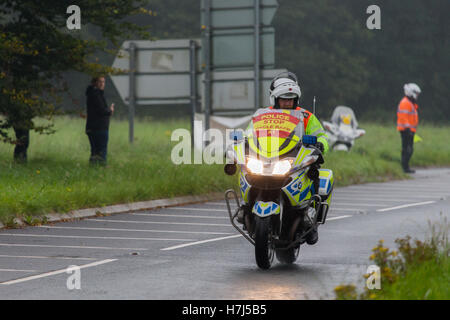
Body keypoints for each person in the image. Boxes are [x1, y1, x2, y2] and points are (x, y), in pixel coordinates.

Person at [240, 72, 329, 245]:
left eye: (291, 99)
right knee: (245, 170)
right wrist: (241, 144)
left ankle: (312, 222)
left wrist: (320, 145)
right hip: (265, 158)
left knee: (315, 173)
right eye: (283, 99)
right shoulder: (261, 116)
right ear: (275, 98)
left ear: (296, 99)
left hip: (293, 157)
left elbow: (322, 136)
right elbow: (249, 134)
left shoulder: (306, 117)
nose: (287, 102)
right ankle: (246, 210)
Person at [85, 76, 114, 166]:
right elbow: (101, 110)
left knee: (94, 151)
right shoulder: (96, 94)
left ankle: (93, 168)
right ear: (94, 83)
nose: (102, 84)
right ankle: (102, 167)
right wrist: (110, 111)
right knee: (101, 150)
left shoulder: (91, 94)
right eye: (100, 82)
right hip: (99, 127)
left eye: (103, 82)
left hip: (91, 127)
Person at [397, 83, 421, 174]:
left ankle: (405, 167)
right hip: (406, 130)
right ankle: (404, 168)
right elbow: (403, 117)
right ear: (412, 93)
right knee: (407, 149)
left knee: (408, 149)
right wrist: (408, 129)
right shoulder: (405, 103)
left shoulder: (410, 103)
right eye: (417, 93)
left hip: (409, 130)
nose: (417, 96)